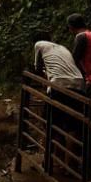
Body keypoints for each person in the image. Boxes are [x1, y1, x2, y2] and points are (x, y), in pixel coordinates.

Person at [33, 31, 85, 172]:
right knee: (73, 125)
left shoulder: (39, 44)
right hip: (79, 84)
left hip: (59, 85)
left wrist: (46, 81)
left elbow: (37, 68)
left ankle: (52, 161)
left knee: (50, 122)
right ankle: (71, 164)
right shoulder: (63, 48)